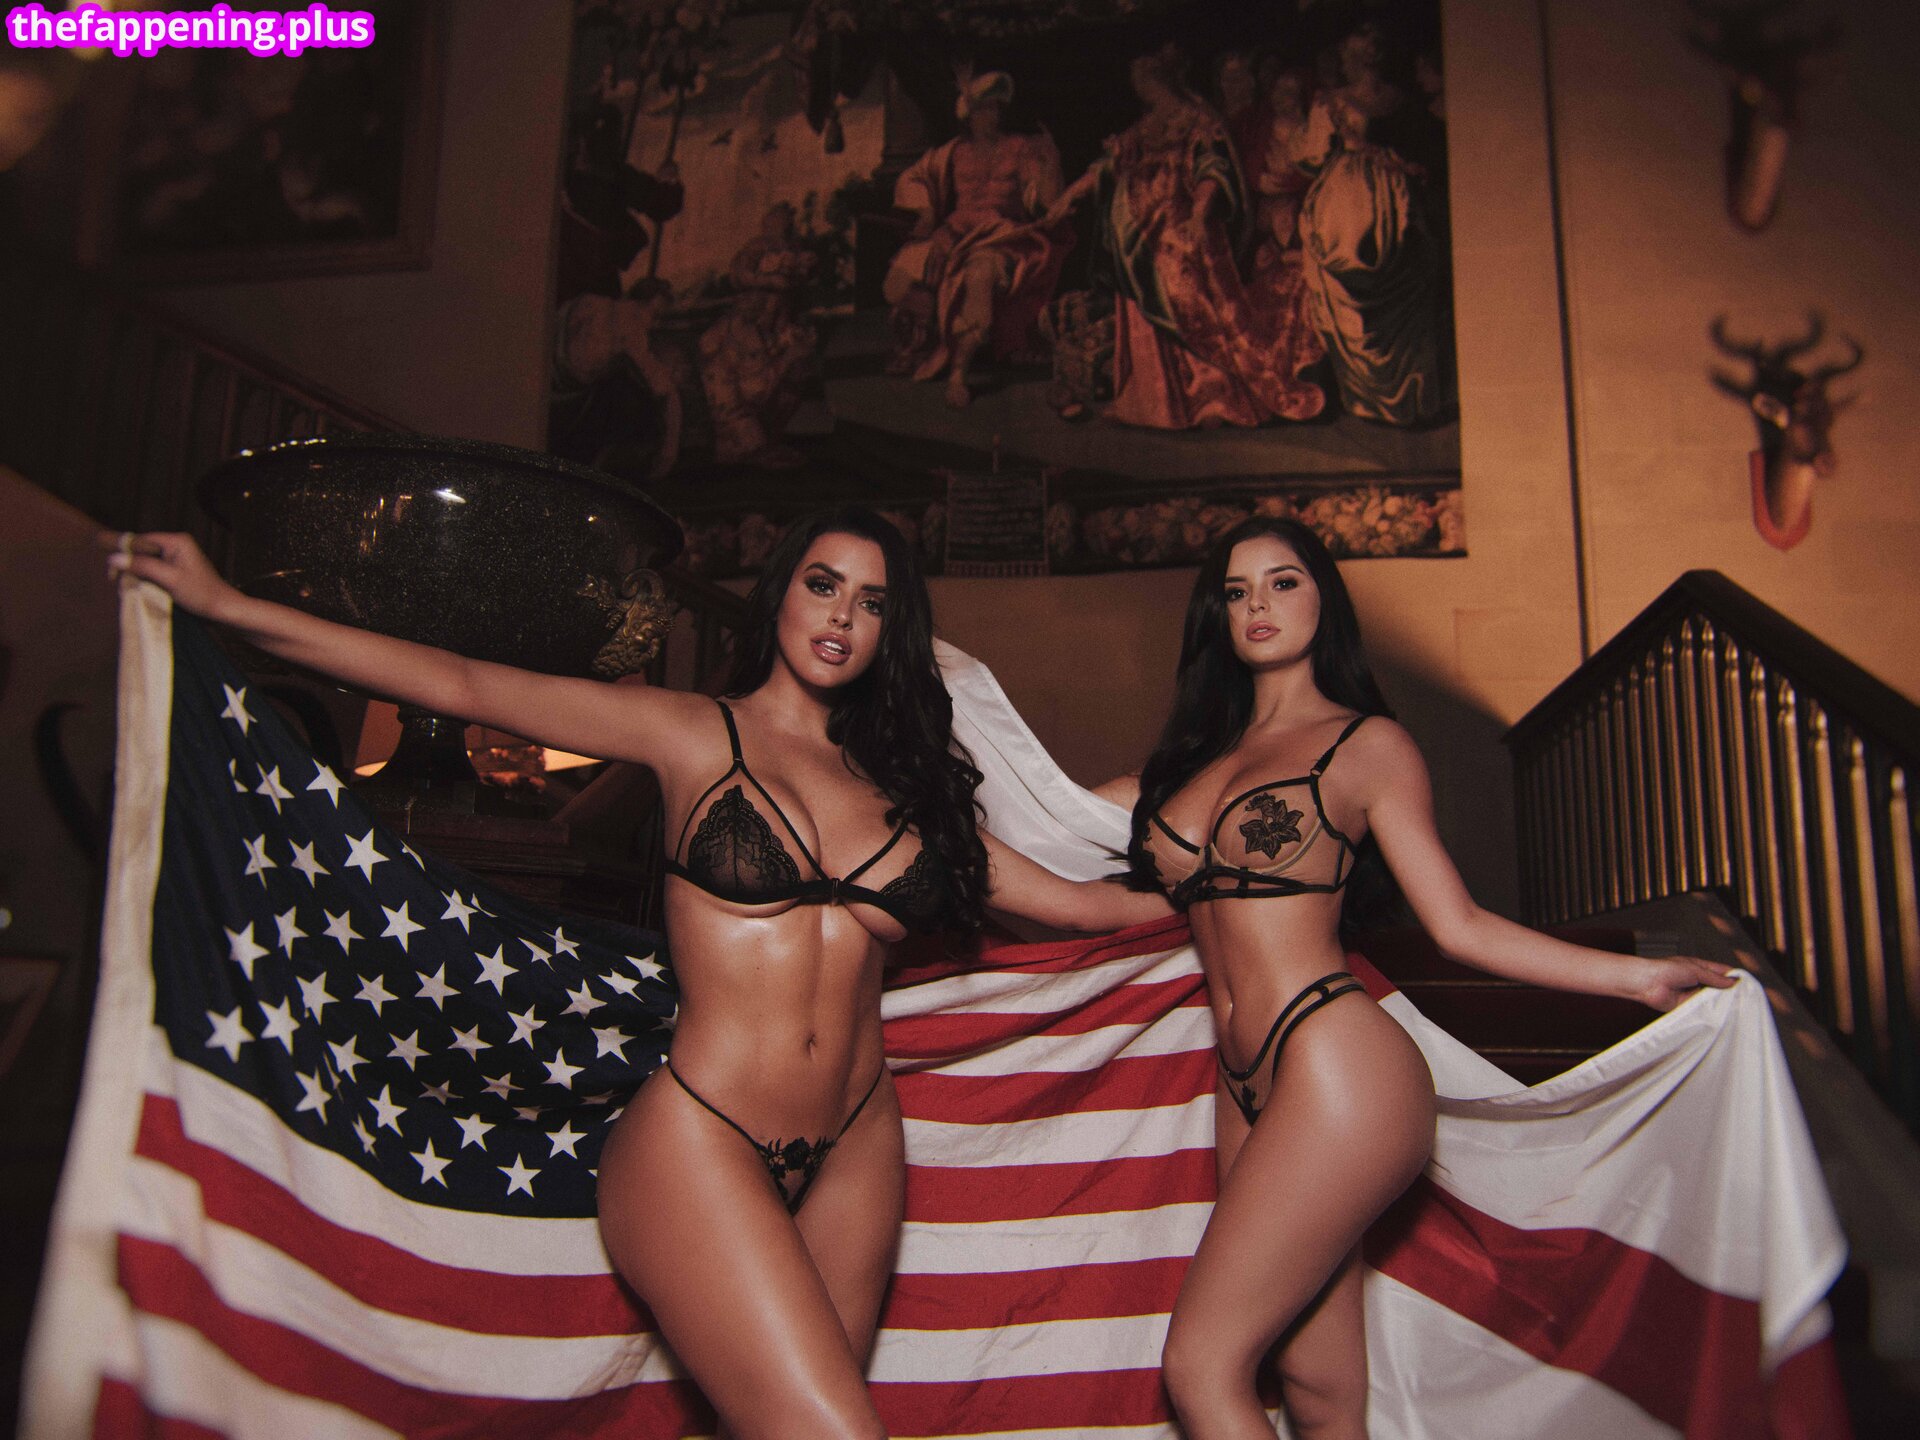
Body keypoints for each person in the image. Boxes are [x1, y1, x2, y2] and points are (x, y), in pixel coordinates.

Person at [105, 506, 1170, 1440]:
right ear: (780, 594)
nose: (843, 615)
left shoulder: (908, 789)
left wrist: (1249, 898)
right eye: (823, 584)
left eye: (874, 602)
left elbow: (1083, 906)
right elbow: (466, 682)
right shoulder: (689, 732)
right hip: (704, 1137)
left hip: (858, 1145)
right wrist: (229, 606)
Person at [1096, 516, 1736, 1440]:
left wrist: (1635, 981)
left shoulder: (1366, 746)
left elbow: (1459, 925)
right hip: (1242, 1084)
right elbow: (1043, 821)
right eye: (1236, 592)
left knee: (1202, 1367)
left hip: (1336, 1064)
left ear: (1323, 599)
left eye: (1282, 582)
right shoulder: (1185, 766)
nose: (1258, 605)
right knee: (1317, 1388)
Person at [1045, 48, 1325, 430]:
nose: (1139, 89)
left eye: (1143, 81)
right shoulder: (1147, 125)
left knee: (1195, 311)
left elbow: (1213, 169)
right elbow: (1107, 168)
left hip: (1183, 233)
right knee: (1151, 314)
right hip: (1140, 239)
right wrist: (1069, 196)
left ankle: (1210, 399)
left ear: (1159, 81)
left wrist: (1197, 215)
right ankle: (1157, 405)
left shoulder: (1198, 120)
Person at [883, 70, 1070, 407]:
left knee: (979, 276)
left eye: (996, 109)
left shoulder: (1020, 148)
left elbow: (1045, 204)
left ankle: (959, 373)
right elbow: (914, 178)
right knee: (896, 283)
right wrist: (927, 214)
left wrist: (1050, 165)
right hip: (953, 233)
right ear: (968, 114)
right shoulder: (951, 152)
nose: (991, 116)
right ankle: (939, 330)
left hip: (999, 236)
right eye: (984, 109)